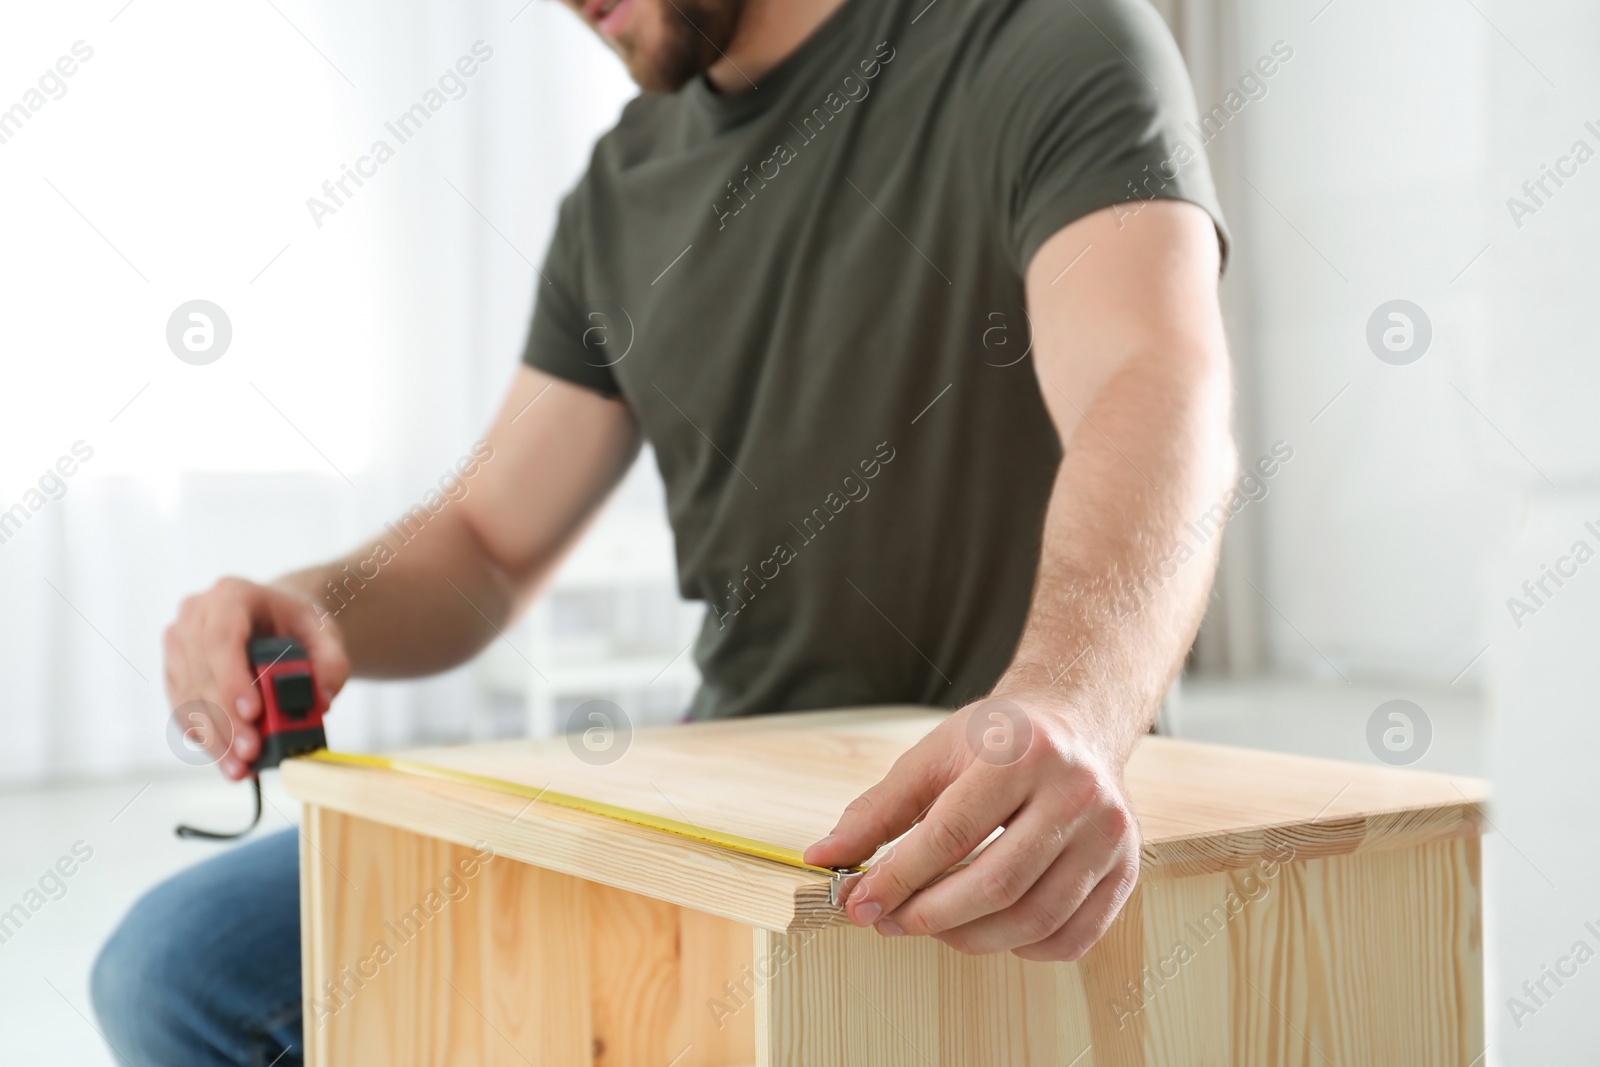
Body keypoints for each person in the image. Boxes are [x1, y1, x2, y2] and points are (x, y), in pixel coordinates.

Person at [92, 0, 1235, 1061]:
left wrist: (1069, 701)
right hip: (724, 791)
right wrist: (319, 604)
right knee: (178, 967)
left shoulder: (1043, 39)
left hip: (979, 825)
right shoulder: (620, 186)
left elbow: (1153, 379)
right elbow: (487, 540)